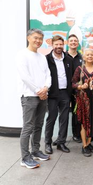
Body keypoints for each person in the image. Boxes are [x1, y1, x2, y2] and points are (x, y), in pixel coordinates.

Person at [17, 29, 51, 169]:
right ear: (28, 38)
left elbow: (48, 74)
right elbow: (25, 76)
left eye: (40, 38)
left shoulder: (42, 57)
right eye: (35, 38)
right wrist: (38, 90)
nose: (38, 41)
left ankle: (35, 150)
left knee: (38, 125)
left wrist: (46, 88)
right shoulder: (22, 55)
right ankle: (25, 158)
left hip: (42, 95)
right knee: (28, 127)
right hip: (29, 96)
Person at [44, 35, 73, 154]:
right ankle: (47, 143)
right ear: (52, 45)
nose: (59, 47)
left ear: (63, 45)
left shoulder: (68, 59)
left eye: (61, 44)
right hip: (52, 94)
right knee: (51, 118)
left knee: (64, 119)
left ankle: (61, 142)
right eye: (56, 44)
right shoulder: (46, 59)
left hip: (65, 93)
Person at [72, 48, 93, 157]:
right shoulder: (79, 69)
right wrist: (80, 86)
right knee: (84, 123)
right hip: (83, 100)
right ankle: (84, 145)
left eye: (91, 55)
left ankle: (89, 143)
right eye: (87, 55)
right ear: (83, 57)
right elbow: (73, 83)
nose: (89, 56)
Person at [65, 34, 83, 143]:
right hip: (64, 90)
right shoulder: (63, 57)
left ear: (78, 43)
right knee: (64, 113)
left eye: (75, 41)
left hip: (77, 89)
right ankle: (61, 137)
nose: (73, 43)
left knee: (77, 114)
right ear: (68, 43)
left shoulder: (81, 58)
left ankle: (76, 135)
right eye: (71, 41)